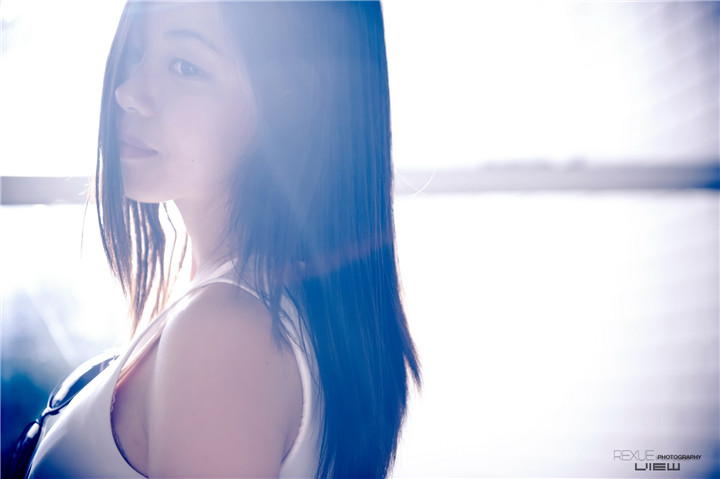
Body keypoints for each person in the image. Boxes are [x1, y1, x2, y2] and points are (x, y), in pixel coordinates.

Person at [22, 1, 420, 478]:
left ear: (289, 106)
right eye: (136, 51)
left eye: (185, 66)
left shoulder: (225, 330)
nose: (128, 92)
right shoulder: (270, 311)